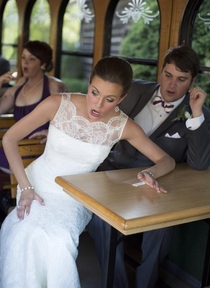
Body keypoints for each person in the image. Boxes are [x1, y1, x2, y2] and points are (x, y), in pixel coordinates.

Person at [0, 56, 175, 288]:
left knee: (57, 240)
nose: (98, 105)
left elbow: (167, 160)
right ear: (89, 84)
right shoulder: (57, 104)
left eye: (110, 99)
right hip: (36, 183)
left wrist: (151, 173)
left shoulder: (123, 126)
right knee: (19, 230)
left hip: (76, 197)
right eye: (94, 93)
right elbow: (9, 138)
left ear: (122, 98)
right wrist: (26, 188)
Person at [85, 45, 210, 288]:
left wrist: (195, 113)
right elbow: (95, 107)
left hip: (155, 186)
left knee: (162, 228)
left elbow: (200, 163)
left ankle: (145, 284)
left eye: (181, 79)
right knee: (102, 222)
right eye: (168, 75)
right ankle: (118, 284)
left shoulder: (199, 115)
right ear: (160, 71)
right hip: (112, 175)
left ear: (193, 81)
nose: (171, 85)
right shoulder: (134, 90)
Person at [0, 40, 68, 173]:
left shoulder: (54, 86)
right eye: (23, 57)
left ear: (43, 64)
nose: (25, 62)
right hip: (17, 149)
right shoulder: (18, 88)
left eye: (31, 59)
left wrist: (52, 133)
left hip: (42, 151)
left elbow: (71, 119)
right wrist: (0, 81)